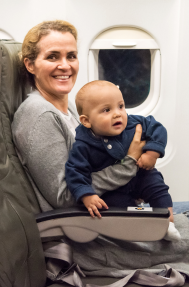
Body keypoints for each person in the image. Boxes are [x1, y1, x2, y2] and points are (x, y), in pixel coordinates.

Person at [11, 20, 145, 213]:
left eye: (71, 56)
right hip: (85, 229)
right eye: (52, 57)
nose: (65, 66)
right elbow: (64, 197)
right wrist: (129, 164)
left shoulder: (69, 108)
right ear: (30, 65)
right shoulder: (39, 114)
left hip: (110, 206)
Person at [65, 80, 180, 241]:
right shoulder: (83, 145)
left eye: (121, 106)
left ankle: (168, 224)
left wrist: (152, 153)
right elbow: (75, 171)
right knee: (117, 208)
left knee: (157, 188)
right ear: (86, 121)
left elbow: (157, 128)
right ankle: (136, 226)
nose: (118, 113)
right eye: (106, 110)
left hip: (141, 175)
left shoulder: (133, 123)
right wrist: (86, 195)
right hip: (113, 190)